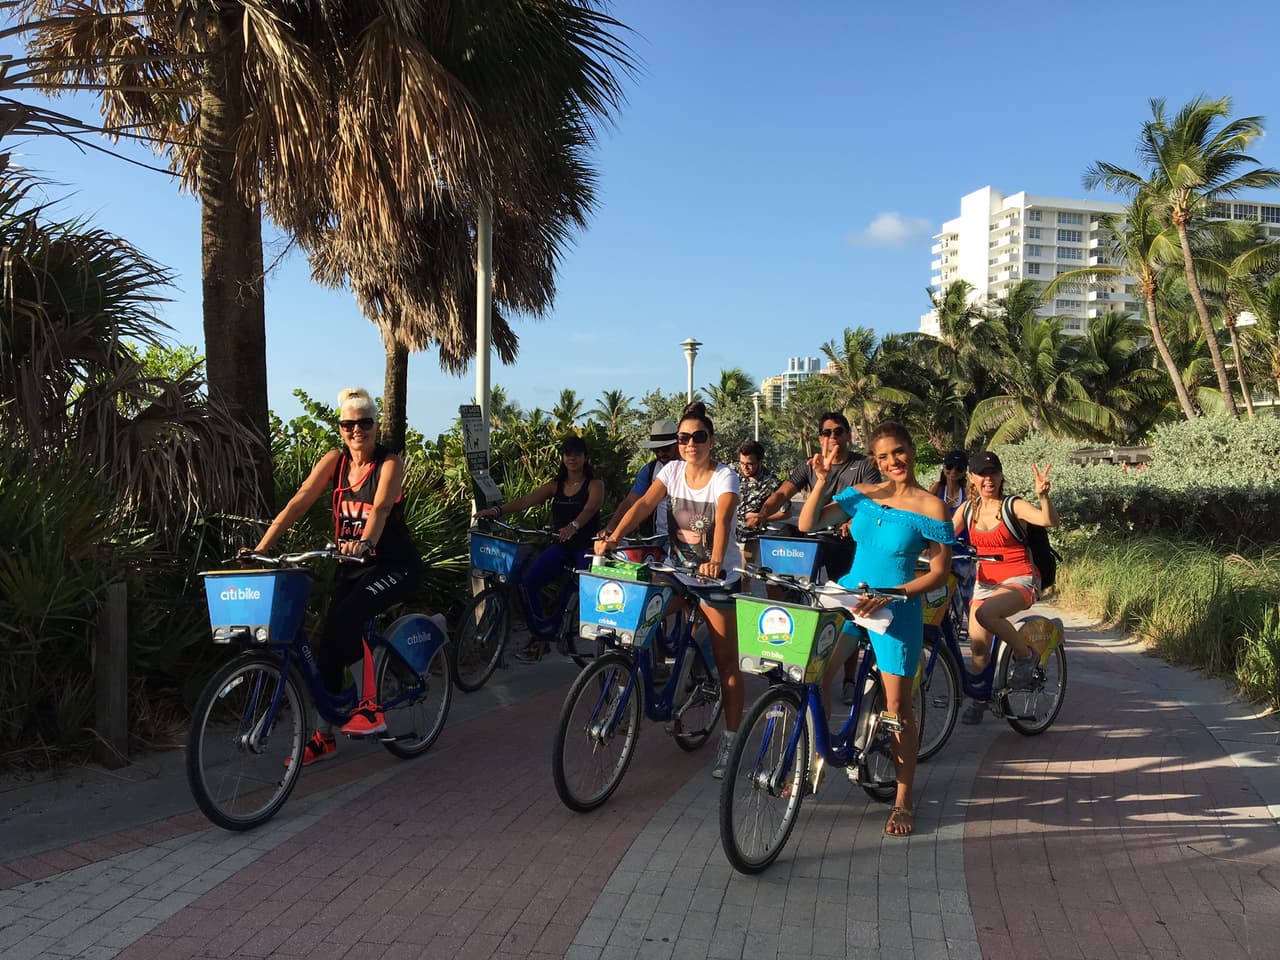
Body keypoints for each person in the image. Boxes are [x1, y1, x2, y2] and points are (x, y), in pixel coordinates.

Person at [248, 387, 423, 765]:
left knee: (348, 619)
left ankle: (371, 708)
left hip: (394, 566)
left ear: (375, 426)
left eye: (365, 423)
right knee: (327, 646)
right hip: (351, 566)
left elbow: (380, 508)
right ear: (340, 428)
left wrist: (366, 542)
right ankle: (323, 736)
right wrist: (261, 547)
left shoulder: (389, 463)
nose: (356, 430)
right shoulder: (335, 461)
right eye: (348, 424)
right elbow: (299, 502)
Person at [799, 421, 954, 837]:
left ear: (912, 449)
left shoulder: (932, 507)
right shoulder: (863, 495)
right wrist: (822, 481)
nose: (893, 461)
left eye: (898, 451)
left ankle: (903, 799)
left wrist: (893, 594)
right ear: (875, 460)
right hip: (851, 598)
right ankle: (816, 759)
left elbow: (939, 573)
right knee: (815, 673)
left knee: (898, 708)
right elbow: (807, 524)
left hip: (896, 608)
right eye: (883, 456)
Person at [595, 402, 743, 779]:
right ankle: (627, 698)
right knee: (636, 621)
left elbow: (723, 518)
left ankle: (731, 739)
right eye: (683, 438)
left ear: (711, 441)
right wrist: (614, 536)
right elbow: (645, 503)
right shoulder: (672, 471)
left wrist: (714, 560)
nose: (691, 444)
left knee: (728, 665)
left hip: (715, 580)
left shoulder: (724, 477)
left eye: (699, 437)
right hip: (677, 573)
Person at [748, 412, 881, 703]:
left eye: (838, 431)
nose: (833, 437)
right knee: (779, 586)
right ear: (819, 437)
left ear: (848, 435)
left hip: (844, 544)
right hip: (810, 542)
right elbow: (782, 493)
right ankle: (783, 659)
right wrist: (762, 513)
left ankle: (848, 679)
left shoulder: (863, 467)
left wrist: (850, 522)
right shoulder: (810, 465)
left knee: (847, 609)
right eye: (826, 432)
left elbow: (870, 503)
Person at [476, 435, 605, 661]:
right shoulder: (556, 486)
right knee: (529, 583)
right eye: (568, 454)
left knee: (586, 591)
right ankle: (540, 637)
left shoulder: (595, 485)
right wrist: (497, 511)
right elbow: (526, 501)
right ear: (563, 458)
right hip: (561, 546)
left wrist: (574, 526)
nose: (572, 458)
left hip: (585, 548)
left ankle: (580, 632)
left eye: (577, 454)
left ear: (585, 457)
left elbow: (590, 509)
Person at [955, 450, 1057, 725]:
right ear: (972, 478)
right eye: (982, 474)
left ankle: (1026, 655)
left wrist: (1043, 497)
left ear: (1001, 476)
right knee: (978, 647)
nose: (988, 479)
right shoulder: (967, 510)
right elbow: (943, 535)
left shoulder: (1014, 505)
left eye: (994, 473)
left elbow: (1048, 520)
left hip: (1021, 579)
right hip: (985, 583)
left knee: (986, 614)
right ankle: (982, 698)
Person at [603, 419, 679, 539]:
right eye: (656, 449)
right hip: (660, 538)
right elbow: (632, 501)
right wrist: (612, 527)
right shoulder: (649, 471)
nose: (660, 453)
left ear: (677, 445)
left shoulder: (691, 467)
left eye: (665, 449)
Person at [734, 440, 783, 591]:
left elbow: (786, 512)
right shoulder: (733, 472)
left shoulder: (772, 483)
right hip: (728, 532)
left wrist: (761, 517)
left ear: (760, 462)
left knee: (743, 577)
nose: (745, 468)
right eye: (742, 463)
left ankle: (743, 603)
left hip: (750, 537)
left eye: (750, 464)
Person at [929, 450, 969, 517]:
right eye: (949, 466)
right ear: (943, 467)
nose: (953, 471)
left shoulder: (968, 491)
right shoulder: (937, 488)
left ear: (965, 471)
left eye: (959, 468)